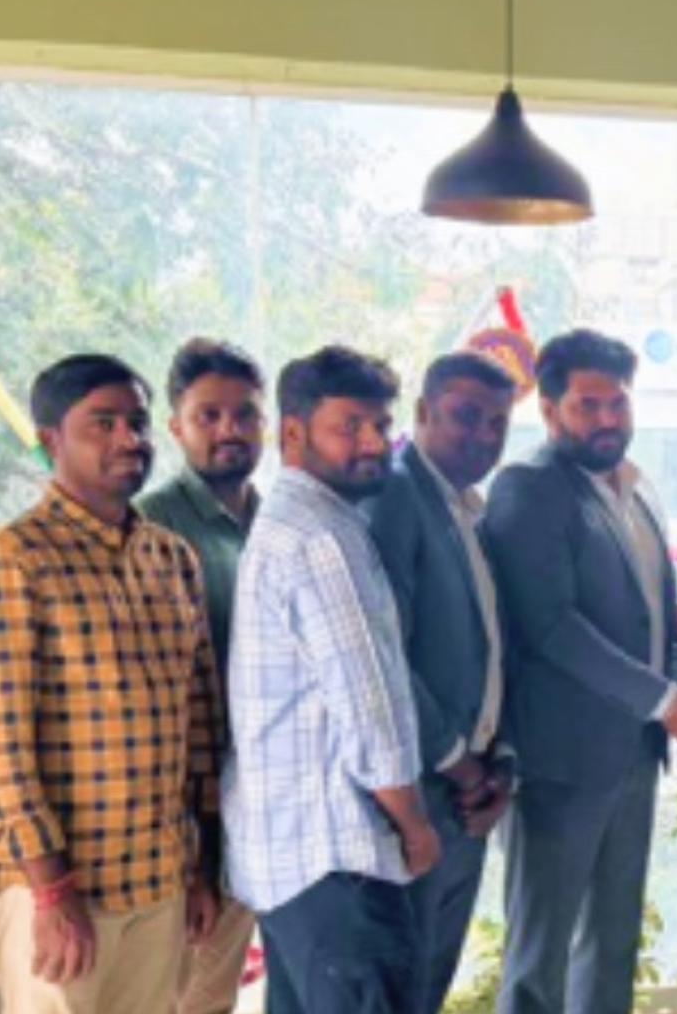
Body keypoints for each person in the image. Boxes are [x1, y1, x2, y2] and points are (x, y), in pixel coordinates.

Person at [0, 354, 223, 1013]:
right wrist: (50, 892)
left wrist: (199, 871)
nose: (129, 439)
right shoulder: (11, 561)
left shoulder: (171, 557)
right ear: (52, 439)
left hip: (160, 885)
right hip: (61, 896)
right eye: (102, 423)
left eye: (137, 422)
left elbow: (199, 728)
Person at [484, 328, 677, 1014]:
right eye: (588, 405)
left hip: (634, 754)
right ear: (549, 409)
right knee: (540, 959)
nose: (608, 418)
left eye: (618, 402)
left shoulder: (636, 491)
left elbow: (651, 615)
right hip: (557, 764)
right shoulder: (528, 488)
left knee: (612, 947)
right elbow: (550, 627)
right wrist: (663, 698)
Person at [228, 345, 436, 1012]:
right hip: (339, 861)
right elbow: (369, 708)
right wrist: (414, 825)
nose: (373, 442)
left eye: (381, 424)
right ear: (292, 432)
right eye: (351, 425)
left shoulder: (292, 522)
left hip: (296, 870)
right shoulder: (321, 538)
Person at [362, 352, 520, 1014]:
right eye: (465, 416)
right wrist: (460, 764)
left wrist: (500, 763)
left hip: (470, 793)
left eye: (497, 422)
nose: (483, 435)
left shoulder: (468, 510)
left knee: (428, 986)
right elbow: (385, 658)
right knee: (396, 989)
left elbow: (493, 650)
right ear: (423, 412)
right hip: (416, 792)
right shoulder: (394, 495)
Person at [136, 338, 268, 1014]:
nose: (229, 431)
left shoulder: (279, 522)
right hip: (189, 813)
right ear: (176, 427)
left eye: (245, 415)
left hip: (268, 801)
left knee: (219, 993)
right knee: (184, 994)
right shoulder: (151, 526)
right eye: (208, 416)